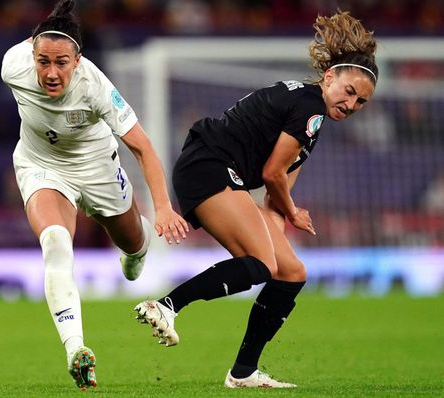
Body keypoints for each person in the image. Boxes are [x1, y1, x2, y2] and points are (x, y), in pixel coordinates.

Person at [134, 10, 378, 388]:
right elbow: (272, 177)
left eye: (361, 102)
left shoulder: (310, 116)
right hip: (211, 166)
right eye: (349, 92)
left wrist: (282, 219)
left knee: (291, 272)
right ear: (329, 78)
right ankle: (166, 306)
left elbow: (274, 197)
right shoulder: (310, 111)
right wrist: (293, 213)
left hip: (213, 170)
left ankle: (243, 372)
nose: (351, 104)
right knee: (262, 265)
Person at [0, 0, 189, 390]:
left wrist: (164, 209)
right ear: (32, 53)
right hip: (42, 166)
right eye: (43, 61)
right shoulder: (12, 64)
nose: (51, 73)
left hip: (99, 171)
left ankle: (133, 255)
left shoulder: (96, 86)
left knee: (136, 247)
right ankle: (76, 350)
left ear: (78, 60)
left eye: (61, 63)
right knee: (54, 242)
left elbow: (144, 148)